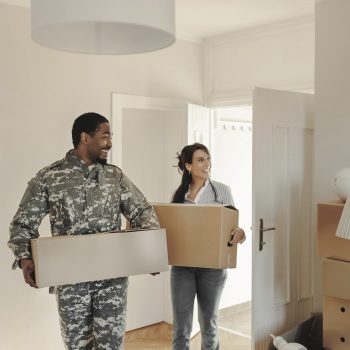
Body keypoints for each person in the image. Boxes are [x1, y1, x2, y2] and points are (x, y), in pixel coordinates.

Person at [8, 112, 160, 350]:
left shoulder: (114, 176)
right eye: (105, 136)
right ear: (85, 138)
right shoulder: (49, 177)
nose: (110, 143)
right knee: (78, 347)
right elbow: (23, 223)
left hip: (112, 281)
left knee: (111, 346)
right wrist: (25, 257)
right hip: (71, 283)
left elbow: (142, 211)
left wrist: (150, 252)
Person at [171, 142, 246, 350]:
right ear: (188, 166)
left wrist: (240, 234)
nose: (207, 164)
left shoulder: (222, 191)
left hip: (212, 270)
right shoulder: (178, 196)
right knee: (181, 329)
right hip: (182, 268)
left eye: (208, 158)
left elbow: (235, 229)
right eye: (200, 160)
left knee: (208, 325)